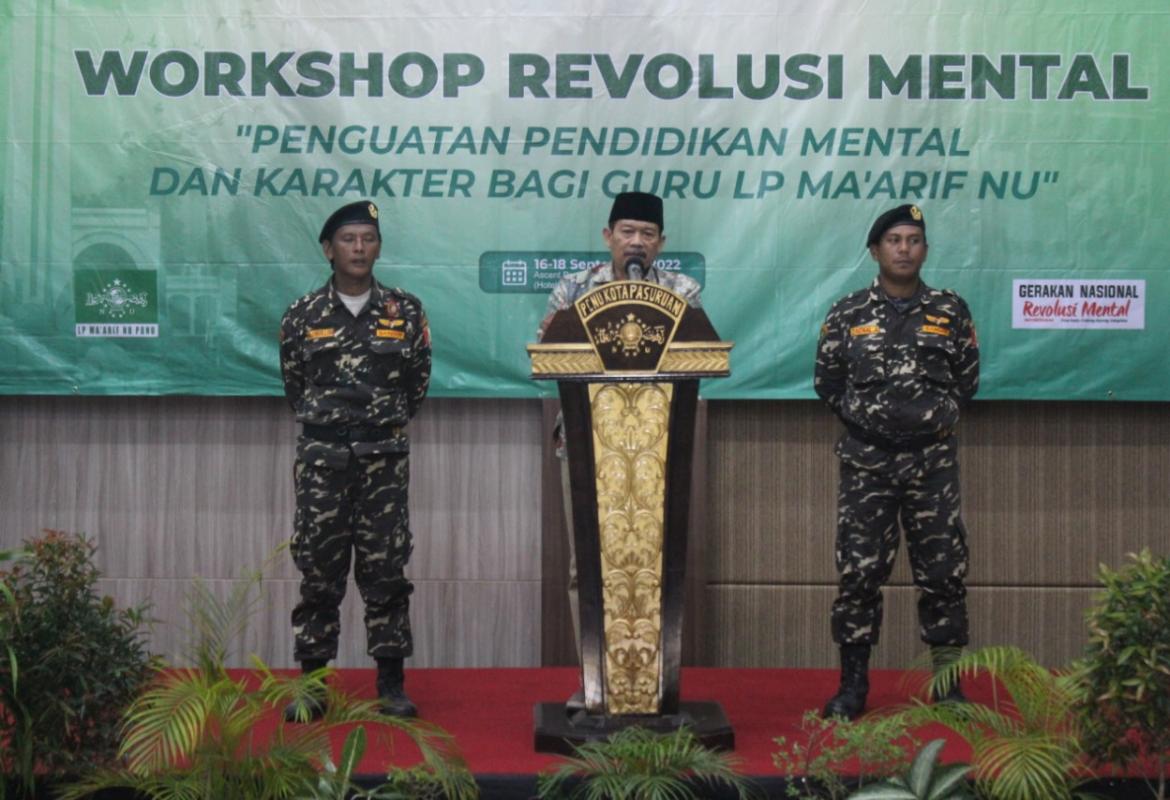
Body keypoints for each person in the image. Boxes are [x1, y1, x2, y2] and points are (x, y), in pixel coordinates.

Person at [813, 204, 979, 720]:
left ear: (925, 250)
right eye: (894, 240)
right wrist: (873, 425)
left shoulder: (950, 310)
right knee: (859, 576)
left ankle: (947, 685)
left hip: (932, 467)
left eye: (913, 240)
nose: (904, 249)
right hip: (868, 466)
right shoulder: (848, 312)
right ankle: (852, 687)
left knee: (944, 574)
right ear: (875, 250)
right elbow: (827, 382)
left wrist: (929, 420)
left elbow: (967, 380)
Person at [538, 191, 702, 709]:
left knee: (655, 563)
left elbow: (698, 354)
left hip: (659, 451)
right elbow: (548, 354)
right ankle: (596, 683)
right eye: (627, 232)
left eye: (647, 234)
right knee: (587, 565)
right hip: (588, 446)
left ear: (661, 243)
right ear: (608, 237)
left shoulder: (682, 290)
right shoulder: (572, 289)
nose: (637, 242)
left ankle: (650, 686)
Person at [279, 200, 431, 719]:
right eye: (348, 239)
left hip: (383, 460)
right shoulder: (302, 314)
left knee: (386, 571)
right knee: (318, 572)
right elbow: (295, 386)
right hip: (323, 461)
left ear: (378, 247)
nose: (359, 248)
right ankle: (313, 685)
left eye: (368, 238)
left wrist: (374, 426)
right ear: (328, 249)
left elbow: (416, 384)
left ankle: (391, 685)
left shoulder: (405, 312)